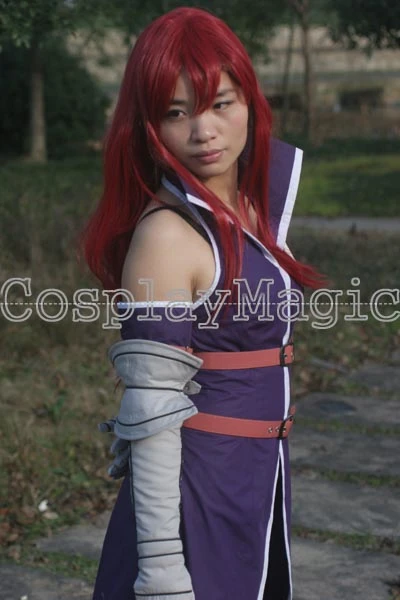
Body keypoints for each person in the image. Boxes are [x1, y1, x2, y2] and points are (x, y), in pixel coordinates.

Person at [80, 7, 325, 600]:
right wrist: (162, 568)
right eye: (176, 112)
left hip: (255, 477)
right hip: (196, 489)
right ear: (148, 125)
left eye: (220, 103)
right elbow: (152, 415)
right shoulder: (167, 236)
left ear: (250, 102)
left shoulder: (251, 207)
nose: (204, 131)